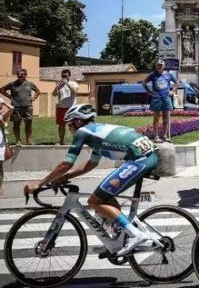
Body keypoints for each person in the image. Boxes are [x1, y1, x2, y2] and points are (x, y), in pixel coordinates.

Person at [23, 104, 160, 256]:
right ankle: (118, 240)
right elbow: (91, 164)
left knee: (95, 201)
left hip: (141, 160)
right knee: (105, 195)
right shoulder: (96, 134)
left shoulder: (83, 132)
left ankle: (135, 234)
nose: (70, 129)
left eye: (70, 125)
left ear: (78, 122)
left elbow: (66, 164)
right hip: (146, 157)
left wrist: (39, 183)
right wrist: (65, 177)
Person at [1, 68, 40, 145]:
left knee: (28, 123)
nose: (19, 76)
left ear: (25, 75)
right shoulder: (12, 84)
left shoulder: (30, 84)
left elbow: (38, 91)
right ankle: (18, 140)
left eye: (21, 74)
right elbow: (2, 89)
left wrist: (34, 98)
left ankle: (28, 140)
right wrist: (9, 97)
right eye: (18, 74)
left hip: (27, 107)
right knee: (16, 123)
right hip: (16, 107)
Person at [142, 60, 177, 143]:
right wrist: (149, 92)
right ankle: (156, 137)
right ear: (156, 66)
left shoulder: (169, 75)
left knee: (166, 118)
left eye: (161, 65)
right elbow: (144, 83)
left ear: (164, 66)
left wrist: (173, 91)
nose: (159, 66)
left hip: (166, 98)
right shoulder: (153, 75)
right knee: (156, 118)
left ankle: (164, 136)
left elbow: (177, 82)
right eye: (158, 65)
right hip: (156, 99)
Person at [52, 68, 79, 145]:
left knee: (73, 125)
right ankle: (61, 141)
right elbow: (54, 94)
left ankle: (75, 141)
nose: (64, 77)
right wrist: (57, 87)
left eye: (65, 76)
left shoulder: (73, 83)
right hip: (61, 107)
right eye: (62, 76)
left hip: (71, 107)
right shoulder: (59, 85)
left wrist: (67, 83)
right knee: (61, 125)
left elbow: (75, 91)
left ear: (69, 76)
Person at [0, 99, 13, 196]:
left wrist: (4, 102)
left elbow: (12, 108)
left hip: (1, 144)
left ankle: (0, 188)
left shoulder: (3, 116)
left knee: (0, 167)